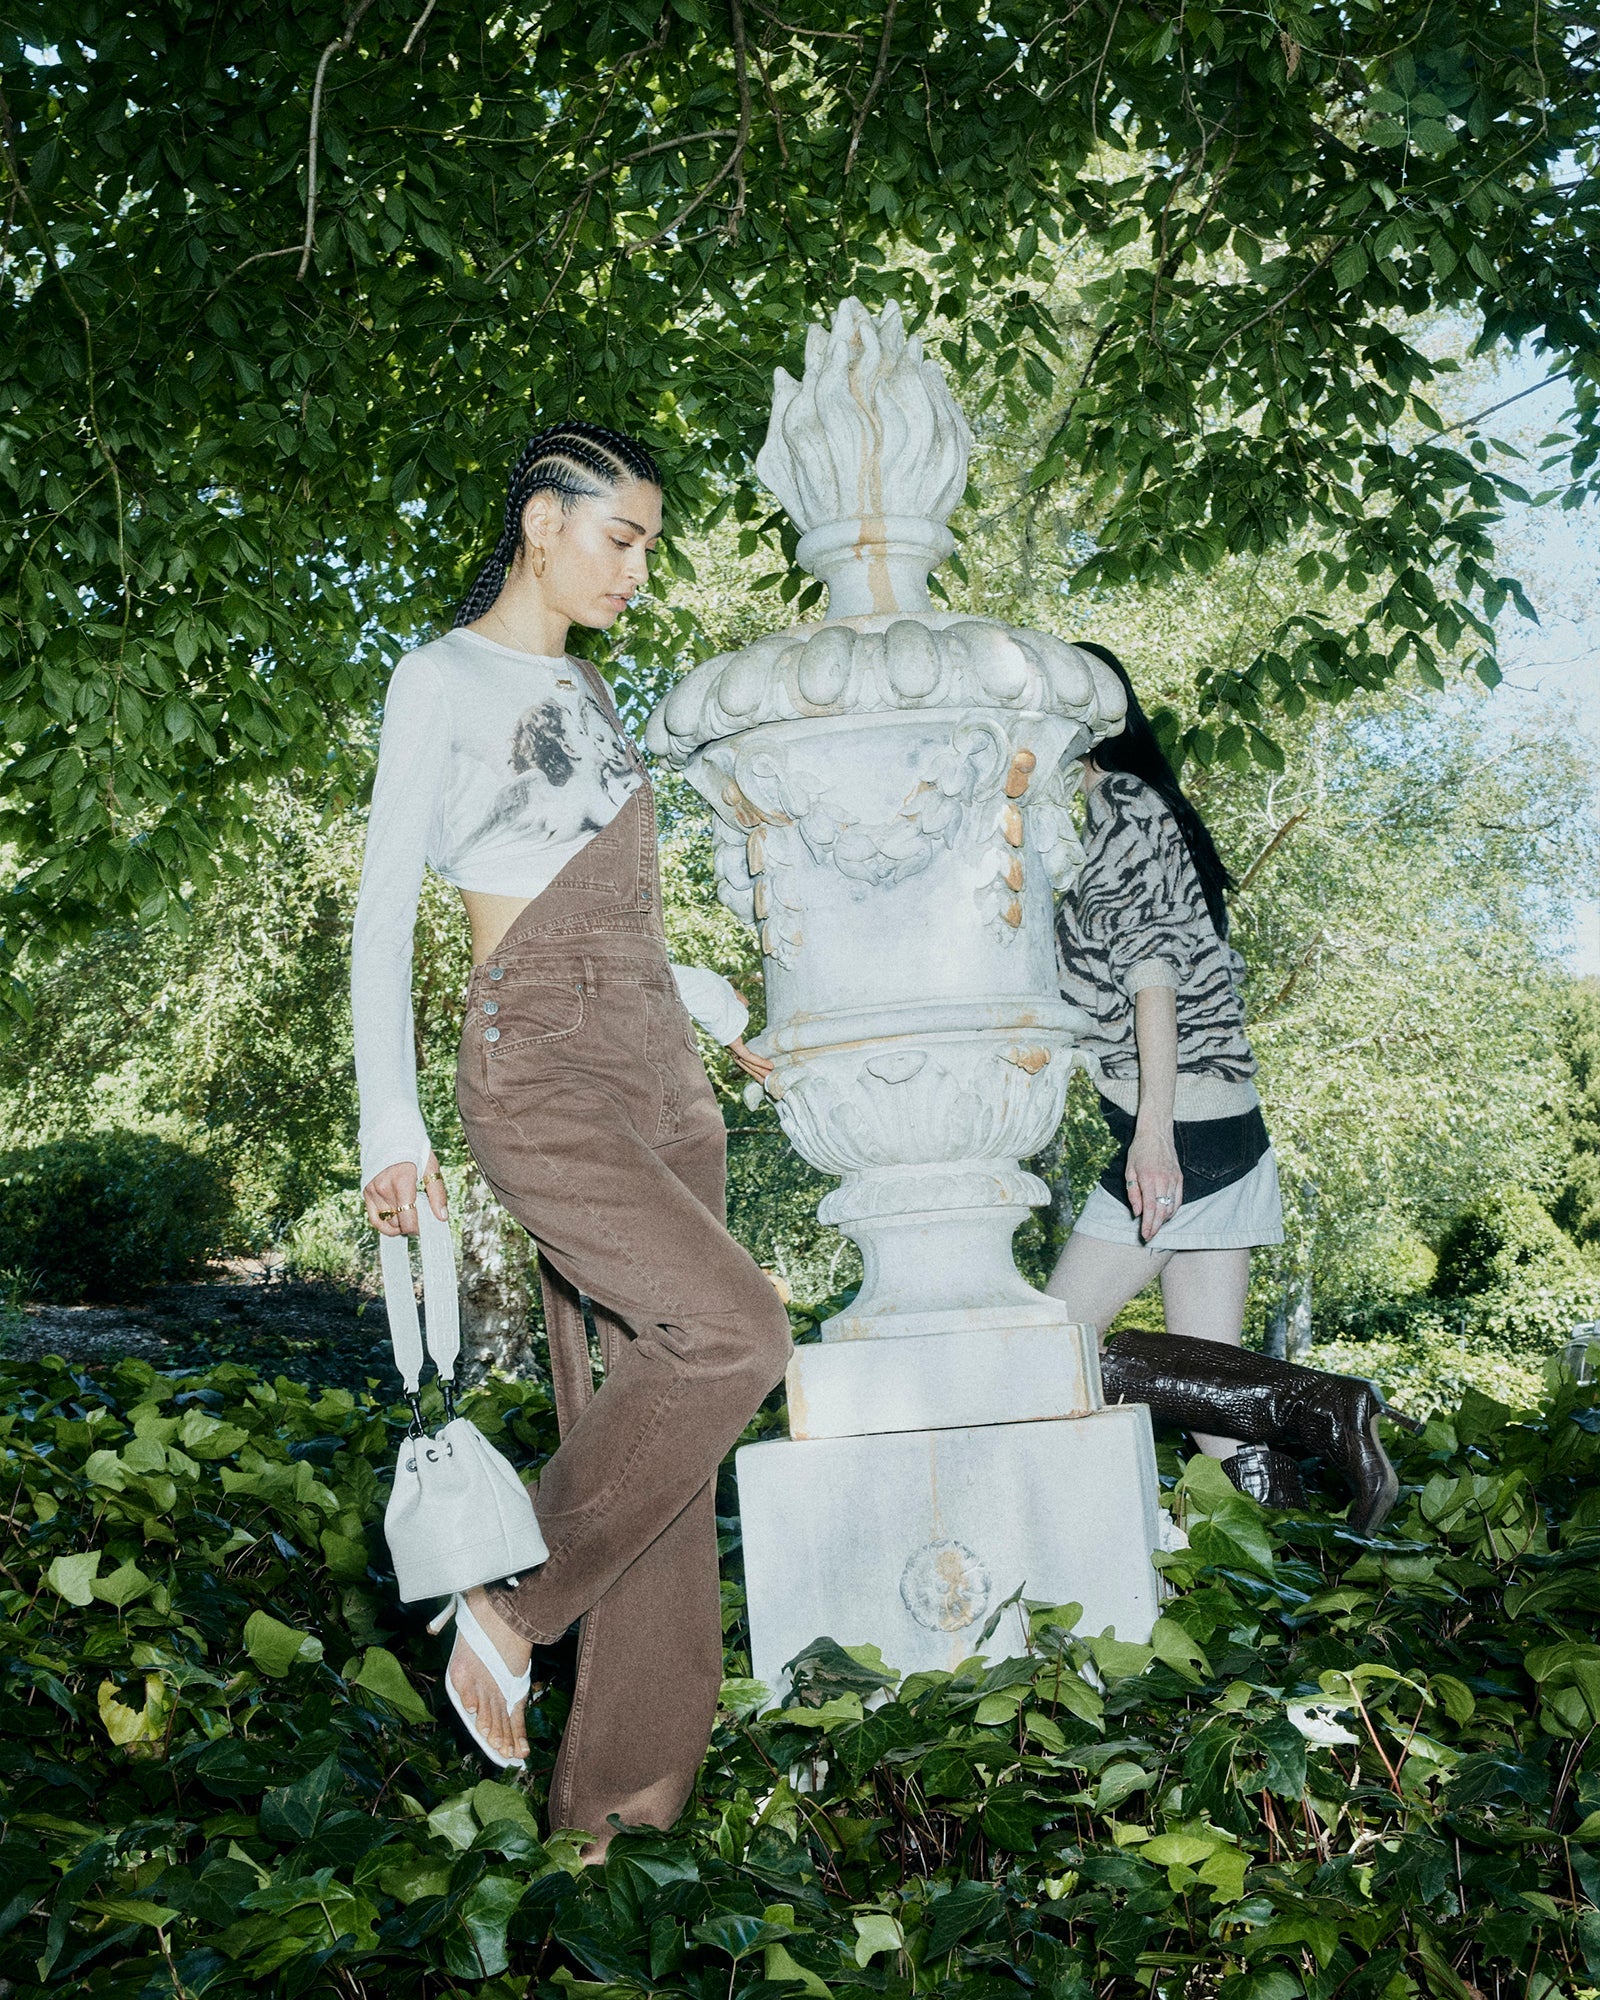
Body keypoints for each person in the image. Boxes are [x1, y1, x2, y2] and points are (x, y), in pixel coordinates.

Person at [352, 420, 793, 1851]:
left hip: (662, 1064)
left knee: (663, 1437)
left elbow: (609, 901)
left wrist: (722, 1012)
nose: (638, 570)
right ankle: (511, 1605)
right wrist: (389, 1126)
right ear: (543, 520)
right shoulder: (439, 676)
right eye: (622, 537)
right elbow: (383, 915)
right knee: (736, 1333)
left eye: (649, 546)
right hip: (537, 1058)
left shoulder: (594, 690)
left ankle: (619, 1825)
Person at [1047, 643, 1407, 1533]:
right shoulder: (1122, 810)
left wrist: (1154, 1136)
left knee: (1047, 1348)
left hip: (1181, 1132)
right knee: (1219, 1415)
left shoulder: (1118, 806)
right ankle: (1294, 1576)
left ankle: (1323, 1405)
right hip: (1221, 1128)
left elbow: (1153, 977)